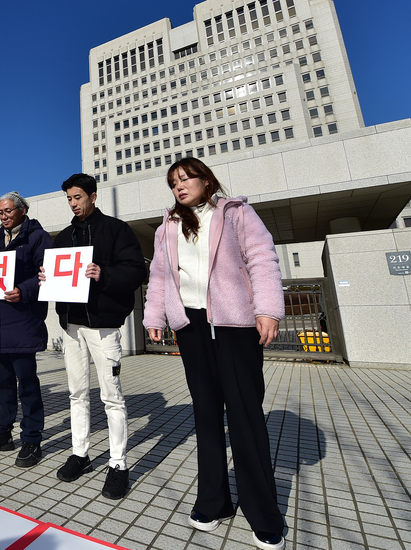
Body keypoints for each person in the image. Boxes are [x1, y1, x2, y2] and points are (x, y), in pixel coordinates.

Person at [142, 158, 286, 550]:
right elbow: (159, 275)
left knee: (244, 414)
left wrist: (268, 309)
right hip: (190, 328)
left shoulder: (236, 213)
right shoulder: (168, 226)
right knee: (205, 413)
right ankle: (214, 501)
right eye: (173, 182)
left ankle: (263, 514)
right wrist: (154, 314)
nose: (179, 186)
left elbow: (262, 259)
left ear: (207, 181)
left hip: (234, 325)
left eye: (186, 179)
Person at [44, 173, 146, 500]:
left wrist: (104, 273)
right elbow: (54, 277)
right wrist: (46, 276)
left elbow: (135, 271)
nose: (73, 204)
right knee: (76, 393)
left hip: (103, 328)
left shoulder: (117, 230)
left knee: (111, 395)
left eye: (78, 197)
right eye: (69, 199)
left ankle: (118, 463)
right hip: (72, 327)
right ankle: (80, 454)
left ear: (93, 196)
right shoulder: (63, 238)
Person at [0, 192, 51, 468]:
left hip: (23, 320)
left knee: (27, 385)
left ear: (22, 210)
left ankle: (31, 437)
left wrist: (24, 290)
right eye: (0, 212)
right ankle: (2, 432)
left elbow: (47, 274)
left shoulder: (37, 237)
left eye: (8, 211)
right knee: (1, 384)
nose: (4, 216)